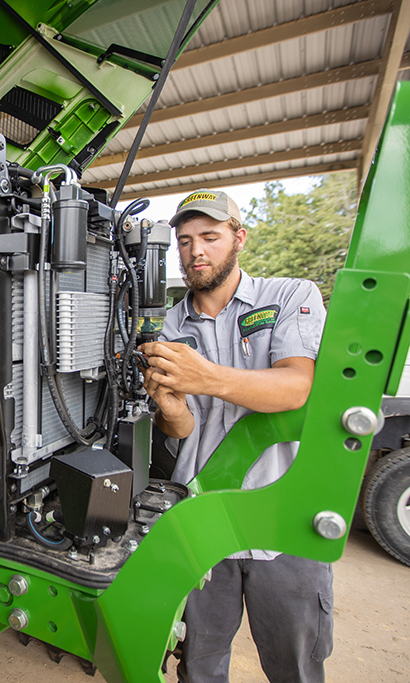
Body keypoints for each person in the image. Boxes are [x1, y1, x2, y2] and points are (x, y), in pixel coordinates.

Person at [139, 189, 333, 683]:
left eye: (210, 236)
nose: (196, 252)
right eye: (185, 241)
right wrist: (171, 411)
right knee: (198, 665)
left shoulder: (289, 296)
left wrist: (205, 377)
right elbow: (181, 430)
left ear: (239, 238)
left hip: (281, 517)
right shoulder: (165, 326)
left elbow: (296, 387)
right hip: (204, 521)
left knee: (296, 666)